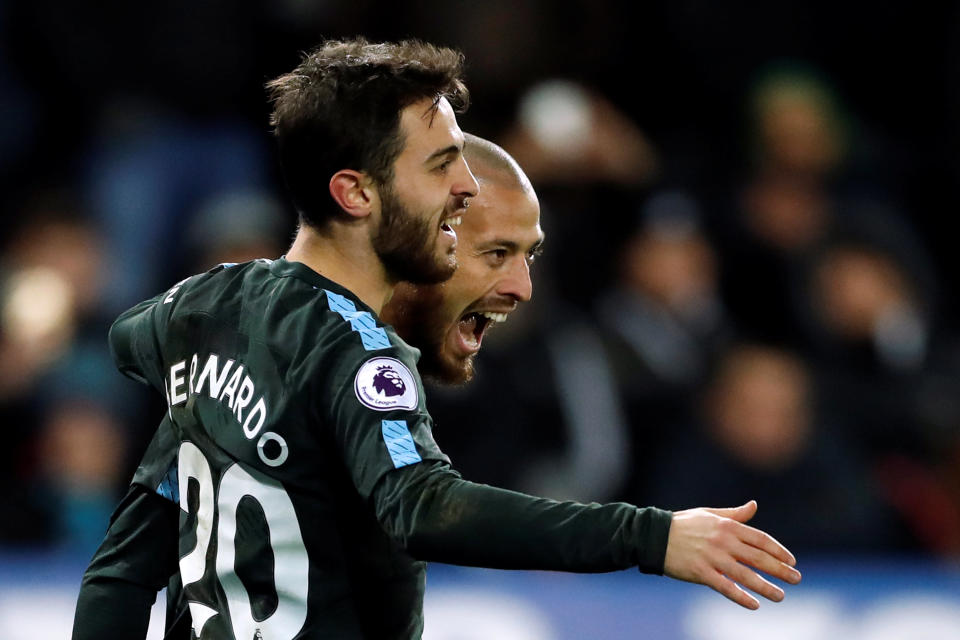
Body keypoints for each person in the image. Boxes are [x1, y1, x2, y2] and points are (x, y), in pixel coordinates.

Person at [74, 39, 800, 640]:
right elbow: (423, 506)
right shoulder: (355, 350)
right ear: (357, 193)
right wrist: (651, 537)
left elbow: (123, 557)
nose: (461, 188)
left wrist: (185, 337)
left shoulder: (217, 316)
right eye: (441, 165)